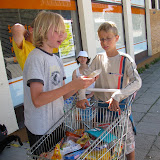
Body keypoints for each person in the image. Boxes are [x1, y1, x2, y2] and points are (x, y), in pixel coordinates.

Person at [23, 10, 95, 154]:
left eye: (63, 31)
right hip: (41, 129)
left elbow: (63, 95)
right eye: (57, 31)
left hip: (57, 123)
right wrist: (73, 84)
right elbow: (37, 99)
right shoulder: (36, 58)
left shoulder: (56, 60)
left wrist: (81, 84)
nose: (62, 35)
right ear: (42, 31)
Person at [76, 21, 142, 160]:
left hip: (119, 110)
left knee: (127, 142)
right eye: (101, 39)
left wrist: (118, 94)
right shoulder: (98, 59)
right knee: (105, 143)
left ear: (117, 38)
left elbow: (137, 82)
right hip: (100, 109)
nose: (105, 42)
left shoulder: (125, 60)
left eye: (108, 38)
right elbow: (85, 77)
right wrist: (81, 96)